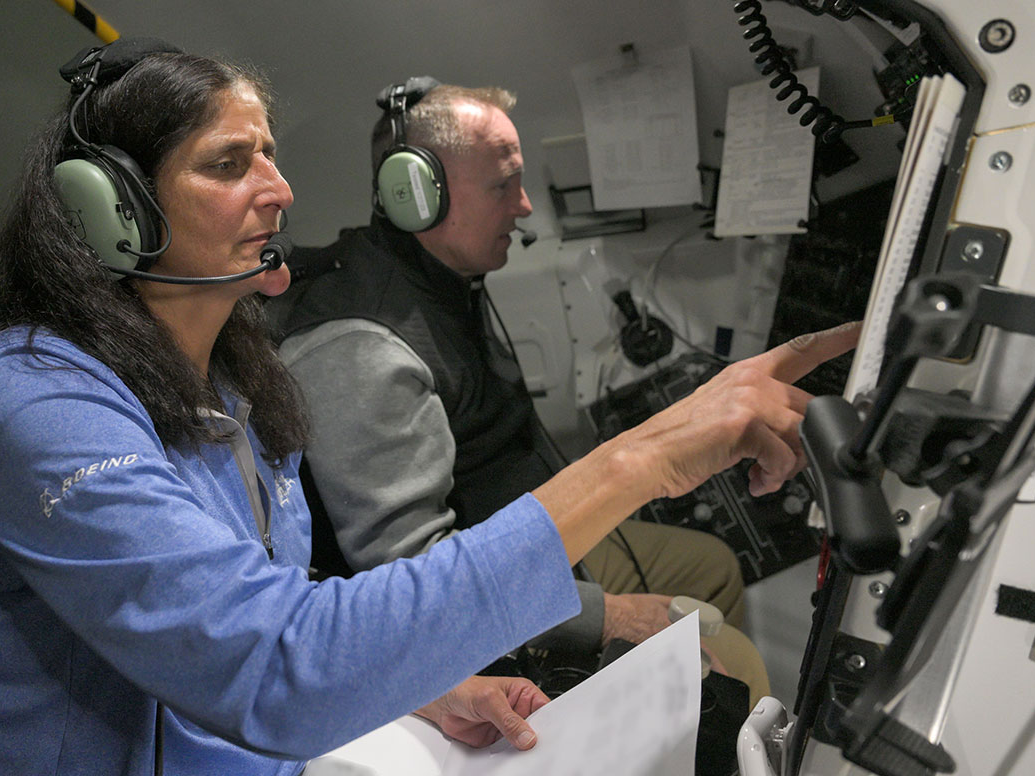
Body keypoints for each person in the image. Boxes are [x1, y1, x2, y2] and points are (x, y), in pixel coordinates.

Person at [0, 40, 857, 775]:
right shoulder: (34, 398)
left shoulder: (226, 377)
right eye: (230, 164)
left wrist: (423, 685)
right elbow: (271, 666)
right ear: (110, 207)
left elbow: (267, 595)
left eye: (270, 156)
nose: (279, 191)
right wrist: (643, 457)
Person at [268, 80, 776, 689]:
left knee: (713, 566)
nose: (526, 206)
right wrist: (603, 615)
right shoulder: (361, 346)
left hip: (524, 536)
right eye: (502, 184)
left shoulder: (444, 282)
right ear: (416, 195)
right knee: (738, 666)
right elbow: (413, 582)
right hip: (473, 592)